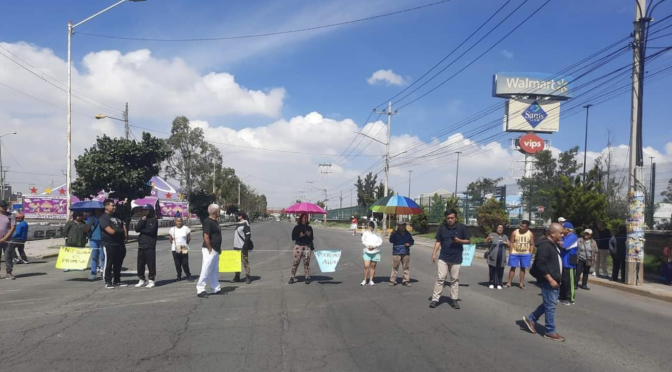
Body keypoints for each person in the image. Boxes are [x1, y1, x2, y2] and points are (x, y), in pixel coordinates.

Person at [522, 223, 565, 342]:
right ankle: (550, 331)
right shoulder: (545, 246)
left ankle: (531, 318)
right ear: (552, 233)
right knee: (550, 306)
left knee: (549, 303)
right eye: (560, 233)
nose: (563, 235)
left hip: (554, 279)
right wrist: (550, 279)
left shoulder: (553, 245)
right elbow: (541, 264)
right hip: (548, 281)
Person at [430, 209, 470, 309]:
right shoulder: (442, 228)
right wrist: (434, 253)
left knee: (454, 280)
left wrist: (458, 240)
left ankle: (454, 300)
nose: (450, 220)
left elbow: (468, 241)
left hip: (456, 258)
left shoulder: (461, 228)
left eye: (452, 218)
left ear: (456, 218)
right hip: (443, 257)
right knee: (440, 278)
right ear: (446, 218)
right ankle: (435, 299)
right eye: (448, 218)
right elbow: (438, 241)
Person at [100, 199, 128, 289]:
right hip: (109, 244)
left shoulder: (117, 216)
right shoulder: (104, 217)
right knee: (109, 263)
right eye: (112, 205)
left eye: (114, 205)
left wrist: (123, 232)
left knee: (118, 263)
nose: (114, 207)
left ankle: (117, 280)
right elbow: (110, 231)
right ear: (106, 207)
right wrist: (120, 231)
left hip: (120, 243)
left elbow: (123, 227)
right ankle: (108, 281)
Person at [197, 204, 222, 298]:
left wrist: (218, 249)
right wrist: (210, 249)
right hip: (209, 250)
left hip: (215, 249)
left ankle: (216, 288)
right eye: (218, 210)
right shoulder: (208, 222)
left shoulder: (215, 222)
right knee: (206, 269)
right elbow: (206, 237)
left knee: (214, 270)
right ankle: (200, 289)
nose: (219, 212)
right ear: (215, 211)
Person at [135, 204, 159, 288]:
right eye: (143, 210)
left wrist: (143, 230)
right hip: (141, 244)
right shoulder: (143, 219)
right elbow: (137, 229)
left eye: (146, 210)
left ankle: (151, 280)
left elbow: (151, 231)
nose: (144, 212)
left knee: (151, 264)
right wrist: (142, 221)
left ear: (150, 211)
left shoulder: (154, 220)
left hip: (150, 245)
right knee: (140, 264)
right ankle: (141, 279)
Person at [506, 220, 534, 289]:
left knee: (523, 268)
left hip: (525, 254)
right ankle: (509, 282)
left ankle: (521, 283)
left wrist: (530, 253)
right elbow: (512, 243)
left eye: (523, 226)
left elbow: (532, 244)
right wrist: (510, 252)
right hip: (515, 253)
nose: (521, 227)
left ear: (527, 227)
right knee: (512, 268)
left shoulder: (530, 234)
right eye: (520, 225)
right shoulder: (515, 232)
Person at [290, 213, 314, 284]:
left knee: (306, 262)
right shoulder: (297, 227)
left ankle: (307, 277)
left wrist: (309, 236)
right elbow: (293, 238)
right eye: (304, 217)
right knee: (296, 262)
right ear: (301, 218)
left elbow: (311, 238)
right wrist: (299, 236)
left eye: (306, 217)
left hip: (306, 247)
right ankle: (292, 277)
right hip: (298, 247)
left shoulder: (309, 228)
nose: (305, 219)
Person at [389, 222, 414, 286]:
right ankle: (393, 280)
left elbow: (412, 241)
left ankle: (406, 281)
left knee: (406, 267)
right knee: (395, 267)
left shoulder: (408, 234)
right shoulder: (395, 233)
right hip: (396, 252)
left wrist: (409, 244)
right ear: (398, 226)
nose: (403, 227)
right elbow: (391, 240)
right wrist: (392, 234)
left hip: (405, 252)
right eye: (401, 226)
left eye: (404, 225)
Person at [559, 221, 578, 305]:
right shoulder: (564, 236)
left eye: (563, 228)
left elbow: (564, 246)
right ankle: (562, 297)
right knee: (563, 281)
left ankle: (570, 299)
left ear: (567, 229)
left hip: (569, 262)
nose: (561, 230)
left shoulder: (573, 236)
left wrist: (560, 242)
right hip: (563, 261)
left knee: (569, 282)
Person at [485, 223, 510, 289]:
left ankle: (499, 283)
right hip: (492, 256)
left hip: (501, 256)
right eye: (499, 228)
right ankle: (491, 283)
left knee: (500, 270)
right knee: (492, 270)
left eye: (501, 228)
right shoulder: (492, 235)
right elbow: (486, 242)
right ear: (496, 229)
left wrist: (506, 243)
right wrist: (488, 238)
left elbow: (509, 245)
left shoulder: (505, 236)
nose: (500, 229)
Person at [168, 217, 192, 282]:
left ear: (182, 222)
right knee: (177, 263)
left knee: (185, 262)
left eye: (180, 221)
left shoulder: (186, 228)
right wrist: (174, 245)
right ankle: (179, 276)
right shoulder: (172, 229)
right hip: (175, 247)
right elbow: (170, 239)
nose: (179, 222)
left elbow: (189, 238)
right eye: (177, 221)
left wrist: (185, 244)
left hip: (184, 246)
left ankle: (188, 275)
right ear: (175, 222)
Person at [233, 211, 252, 284]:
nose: (237, 216)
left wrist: (245, 245)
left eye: (238, 215)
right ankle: (237, 277)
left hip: (242, 247)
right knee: (236, 263)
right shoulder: (238, 224)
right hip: (236, 247)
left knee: (245, 262)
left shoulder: (245, 223)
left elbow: (248, 235)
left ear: (242, 216)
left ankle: (247, 277)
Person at [361, 220, 382, 286]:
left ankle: (371, 280)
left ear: (374, 226)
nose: (370, 227)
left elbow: (380, 242)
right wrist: (368, 246)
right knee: (366, 266)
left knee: (373, 266)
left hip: (376, 252)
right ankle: (364, 280)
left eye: (372, 226)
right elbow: (363, 240)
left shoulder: (378, 234)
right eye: (369, 225)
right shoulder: (366, 233)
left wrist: (374, 246)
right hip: (367, 251)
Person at [85, 209, 104, 281]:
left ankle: (104, 271)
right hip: (93, 240)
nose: (98, 211)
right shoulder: (90, 218)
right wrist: (91, 223)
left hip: (103, 239)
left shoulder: (104, 218)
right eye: (97, 210)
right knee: (94, 257)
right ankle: (93, 273)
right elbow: (86, 229)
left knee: (103, 257)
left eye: (100, 210)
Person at [0, 200, 17, 280]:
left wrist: (4, 238)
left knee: (8, 256)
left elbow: (12, 228)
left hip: (7, 240)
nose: (4, 208)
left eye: (5, 206)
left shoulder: (11, 216)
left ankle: (9, 272)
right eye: (2, 206)